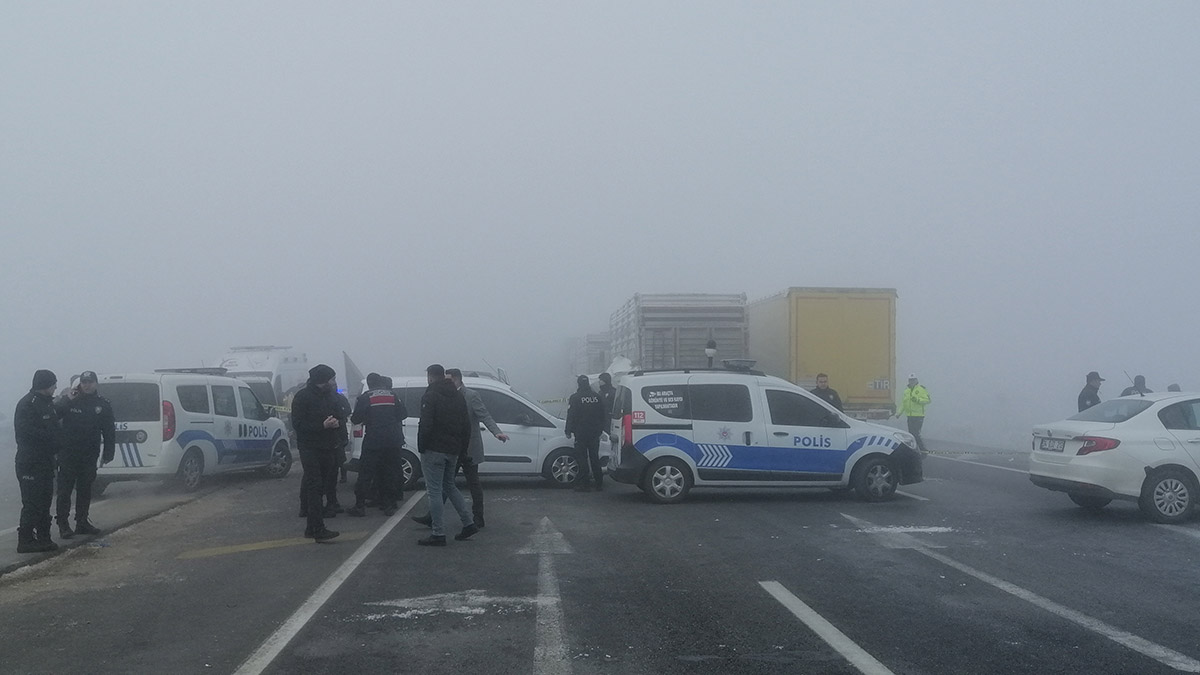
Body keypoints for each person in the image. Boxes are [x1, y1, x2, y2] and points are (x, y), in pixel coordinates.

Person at [413, 369, 508, 529]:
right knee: (446, 484)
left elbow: (484, 415)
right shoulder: (443, 395)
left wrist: (497, 432)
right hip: (452, 448)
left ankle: (478, 517)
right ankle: (433, 517)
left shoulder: (471, 395)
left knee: (473, 483)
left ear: (457, 379)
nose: (446, 382)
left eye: (449, 379)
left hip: (469, 447)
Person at [416, 364, 477, 546]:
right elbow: (466, 426)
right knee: (449, 485)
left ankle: (438, 533)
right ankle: (468, 523)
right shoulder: (458, 396)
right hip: (453, 450)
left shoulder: (430, 395)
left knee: (434, 491)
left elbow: (426, 424)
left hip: (434, 449)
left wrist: (422, 446)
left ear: (430, 377)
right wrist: (462, 450)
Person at [53, 370, 115, 539]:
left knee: (85, 489)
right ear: (80, 384)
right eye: (84, 382)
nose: (87, 385)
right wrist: (68, 398)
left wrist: (109, 452)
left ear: (96, 383)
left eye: (90, 382)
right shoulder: (70, 400)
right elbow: (55, 413)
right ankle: (63, 525)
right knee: (64, 491)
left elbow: (109, 430)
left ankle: (82, 522)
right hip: (68, 453)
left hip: (89, 454)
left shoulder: (102, 404)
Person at [290, 364, 342, 542]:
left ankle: (311, 528)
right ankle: (318, 528)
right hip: (310, 448)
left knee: (321, 487)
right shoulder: (302, 397)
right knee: (315, 486)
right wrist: (322, 426)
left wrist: (336, 422)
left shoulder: (329, 396)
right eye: (331, 379)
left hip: (328, 446)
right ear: (323, 380)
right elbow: (298, 424)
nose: (333, 382)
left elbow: (338, 413)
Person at [14, 370, 63, 553]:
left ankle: (44, 537)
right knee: (32, 503)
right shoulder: (28, 404)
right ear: (45, 384)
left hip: (45, 462)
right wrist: (53, 439)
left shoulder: (47, 403)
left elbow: (55, 420)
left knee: (44, 502)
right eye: (53, 384)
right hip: (30, 463)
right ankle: (25, 540)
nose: (56, 387)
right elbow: (27, 432)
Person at [348, 373, 406, 517]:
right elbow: (403, 414)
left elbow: (356, 418)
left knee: (366, 473)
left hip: (374, 440)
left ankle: (360, 506)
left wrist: (369, 419)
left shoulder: (366, 397)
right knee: (389, 472)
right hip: (392, 440)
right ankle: (388, 505)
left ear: (369, 384)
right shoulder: (393, 395)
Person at [565, 374, 607, 491]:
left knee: (582, 458)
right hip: (594, 432)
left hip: (581, 433)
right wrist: (600, 429)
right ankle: (599, 483)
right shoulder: (597, 397)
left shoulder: (575, 397)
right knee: (594, 457)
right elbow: (603, 415)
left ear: (578, 384)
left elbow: (571, 415)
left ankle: (585, 484)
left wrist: (568, 430)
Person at [897, 374, 931, 454]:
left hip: (919, 416)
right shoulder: (906, 391)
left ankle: (922, 449)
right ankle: (915, 448)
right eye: (910, 380)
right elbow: (904, 403)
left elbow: (928, 400)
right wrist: (899, 413)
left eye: (913, 380)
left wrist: (918, 400)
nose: (911, 381)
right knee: (911, 433)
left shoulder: (921, 389)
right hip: (910, 416)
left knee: (916, 433)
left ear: (916, 380)